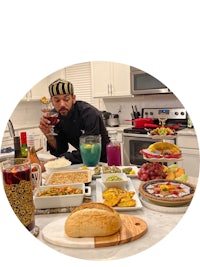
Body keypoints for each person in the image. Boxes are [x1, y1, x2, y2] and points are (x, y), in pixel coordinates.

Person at [39, 78, 110, 164]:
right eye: (57, 100)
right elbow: (60, 150)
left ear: (73, 98)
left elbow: (90, 150)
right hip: (81, 162)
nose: (62, 104)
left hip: (103, 160)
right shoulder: (55, 116)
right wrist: (48, 135)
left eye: (66, 99)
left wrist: (56, 162)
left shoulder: (89, 113)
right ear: (52, 102)